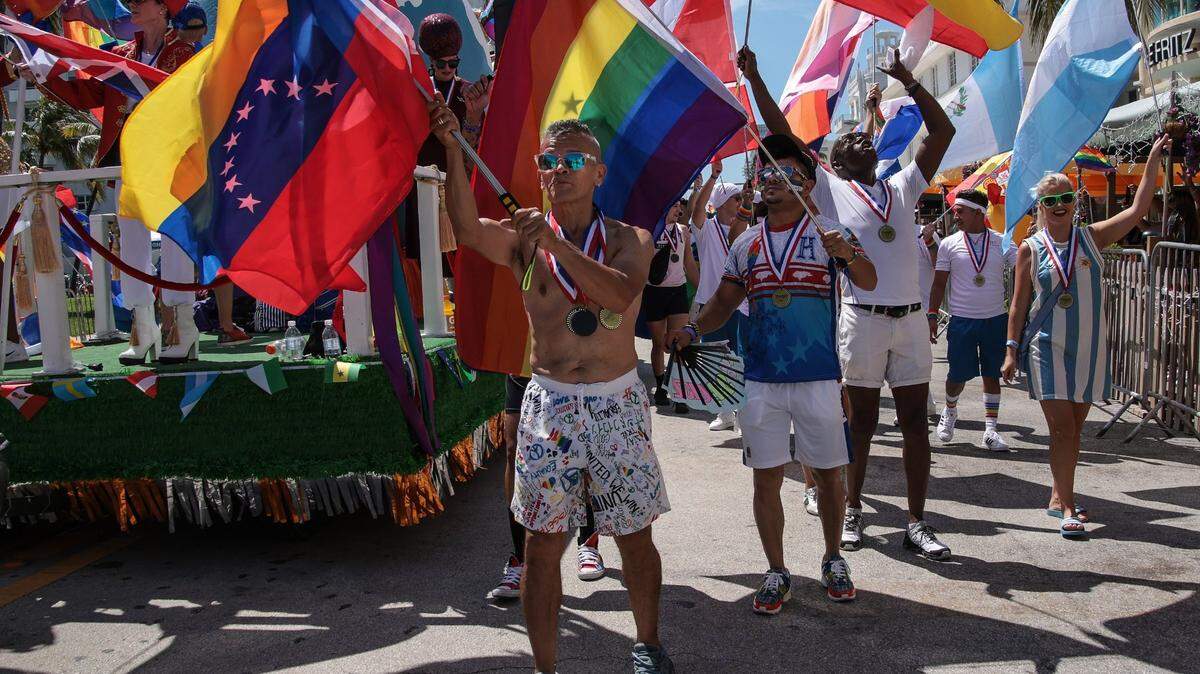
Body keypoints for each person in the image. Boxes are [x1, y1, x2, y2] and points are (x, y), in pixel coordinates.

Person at [432, 100, 673, 672]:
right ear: (538, 172)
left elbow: (618, 296)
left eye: (573, 158)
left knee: (633, 535)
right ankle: (546, 668)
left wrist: (558, 245)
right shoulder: (521, 242)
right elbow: (465, 231)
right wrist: (450, 151)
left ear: (598, 173)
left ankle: (648, 644)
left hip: (616, 402)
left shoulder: (629, 238)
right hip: (552, 405)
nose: (559, 168)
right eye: (549, 160)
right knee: (541, 543)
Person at [740, 45, 956, 560]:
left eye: (865, 136)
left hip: (908, 323)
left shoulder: (903, 184)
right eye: (847, 138)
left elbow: (941, 132)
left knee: (913, 426)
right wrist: (756, 78)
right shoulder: (831, 191)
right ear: (831, 163)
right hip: (861, 319)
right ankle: (853, 511)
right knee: (860, 424)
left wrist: (911, 81)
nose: (860, 135)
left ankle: (917, 521)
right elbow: (785, 136)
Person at [670, 134, 877, 612]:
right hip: (760, 381)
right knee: (765, 478)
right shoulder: (746, 244)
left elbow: (868, 281)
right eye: (765, 174)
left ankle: (832, 558)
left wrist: (845, 253)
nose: (771, 182)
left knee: (828, 476)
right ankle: (777, 570)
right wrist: (692, 328)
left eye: (784, 175)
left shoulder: (830, 233)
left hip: (819, 377)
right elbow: (724, 301)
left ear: (806, 183)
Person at [19, 0, 207, 364]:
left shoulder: (186, 53)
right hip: (127, 161)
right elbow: (87, 94)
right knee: (132, 243)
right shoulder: (121, 54)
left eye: (141, 1)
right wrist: (43, 73)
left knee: (174, 241)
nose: (132, 6)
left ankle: (181, 327)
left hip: (172, 161)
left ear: (164, 9)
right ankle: (143, 327)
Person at [1003, 135, 1169, 539]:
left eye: (1065, 199)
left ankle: (1058, 497)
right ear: (1040, 207)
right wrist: (1010, 350)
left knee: (1073, 431)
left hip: (1090, 348)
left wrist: (1151, 161)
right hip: (1047, 346)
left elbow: (1138, 208)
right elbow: (1018, 304)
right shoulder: (1031, 248)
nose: (1058, 207)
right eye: (1050, 202)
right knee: (1061, 429)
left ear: (1075, 203)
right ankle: (1069, 506)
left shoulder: (1092, 238)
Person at [488, 374, 608, 601]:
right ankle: (519, 559)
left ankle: (588, 541)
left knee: (580, 449)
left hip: (569, 365)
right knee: (513, 450)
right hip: (521, 367)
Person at [927, 190, 1017, 451]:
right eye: (955, 211)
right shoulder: (949, 244)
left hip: (994, 320)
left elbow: (1024, 264)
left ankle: (991, 430)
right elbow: (939, 283)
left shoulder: (1002, 242)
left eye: (960, 211)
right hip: (962, 321)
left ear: (978, 213)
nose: (956, 216)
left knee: (992, 374)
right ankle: (950, 410)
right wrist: (932, 314)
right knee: (957, 375)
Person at [689, 165, 753, 432]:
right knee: (716, 358)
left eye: (740, 198)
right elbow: (697, 211)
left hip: (742, 304)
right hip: (711, 303)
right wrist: (713, 177)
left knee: (741, 357)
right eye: (736, 198)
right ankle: (724, 411)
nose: (740, 202)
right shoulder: (705, 229)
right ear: (721, 202)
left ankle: (742, 411)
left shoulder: (747, 227)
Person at [644, 199, 698, 413]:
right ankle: (660, 387)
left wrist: (704, 290)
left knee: (679, 344)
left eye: (679, 206)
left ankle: (680, 393)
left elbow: (689, 263)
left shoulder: (683, 230)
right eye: (674, 205)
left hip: (677, 290)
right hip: (654, 291)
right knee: (659, 343)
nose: (679, 209)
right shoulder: (650, 231)